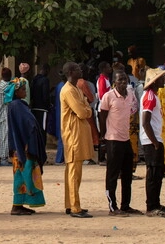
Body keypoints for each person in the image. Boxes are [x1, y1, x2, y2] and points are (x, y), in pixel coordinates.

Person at [98, 69, 140, 217]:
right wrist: (102, 136)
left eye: (125, 80)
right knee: (112, 175)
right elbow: (102, 116)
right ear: (114, 82)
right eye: (120, 80)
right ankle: (112, 206)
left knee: (127, 174)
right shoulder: (108, 96)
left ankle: (126, 205)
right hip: (113, 140)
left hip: (126, 139)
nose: (123, 82)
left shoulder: (129, 96)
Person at [7, 77, 46, 215]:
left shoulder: (17, 105)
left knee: (22, 175)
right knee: (23, 175)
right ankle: (16, 206)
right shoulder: (17, 106)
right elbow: (28, 125)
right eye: (23, 89)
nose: (25, 92)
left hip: (20, 147)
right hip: (23, 148)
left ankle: (19, 204)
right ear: (16, 92)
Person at [60, 61, 93, 218]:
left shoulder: (76, 88)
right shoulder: (68, 90)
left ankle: (70, 204)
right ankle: (75, 207)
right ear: (71, 72)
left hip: (78, 133)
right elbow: (82, 111)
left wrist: (86, 108)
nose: (82, 70)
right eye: (78, 68)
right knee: (74, 172)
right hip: (73, 134)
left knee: (74, 172)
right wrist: (86, 109)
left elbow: (86, 105)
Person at [140, 67, 165, 218]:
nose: (163, 80)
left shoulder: (153, 95)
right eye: (160, 78)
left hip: (154, 138)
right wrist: (155, 142)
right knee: (153, 174)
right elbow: (145, 122)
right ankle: (151, 206)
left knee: (158, 173)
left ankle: (156, 203)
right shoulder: (150, 97)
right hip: (151, 140)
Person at [0, 68, 13, 167]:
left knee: (2, 137)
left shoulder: (2, 84)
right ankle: (3, 159)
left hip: (0, 113)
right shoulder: (5, 86)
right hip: (2, 114)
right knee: (3, 137)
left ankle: (3, 158)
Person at [95, 62, 112, 164]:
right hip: (103, 108)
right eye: (108, 67)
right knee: (103, 132)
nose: (110, 68)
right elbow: (102, 95)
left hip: (107, 107)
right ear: (104, 68)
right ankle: (101, 157)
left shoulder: (106, 79)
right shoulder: (102, 80)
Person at [31, 63, 51, 150]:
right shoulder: (45, 80)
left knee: (36, 130)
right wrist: (49, 105)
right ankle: (42, 150)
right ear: (46, 70)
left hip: (34, 107)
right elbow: (45, 95)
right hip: (42, 109)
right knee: (43, 130)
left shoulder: (34, 79)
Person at [53, 73, 66, 164]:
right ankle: (59, 158)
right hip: (62, 113)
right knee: (63, 136)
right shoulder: (65, 87)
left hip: (59, 112)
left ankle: (60, 157)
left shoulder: (59, 86)